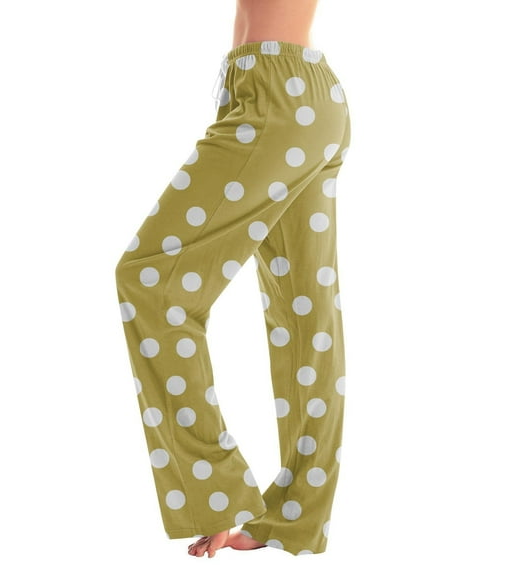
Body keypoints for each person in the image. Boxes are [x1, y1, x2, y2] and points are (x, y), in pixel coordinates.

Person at [114, 0, 351, 559]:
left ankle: (215, 491)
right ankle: (297, 517)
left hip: (278, 99)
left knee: (150, 280)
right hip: (296, 98)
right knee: (306, 316)